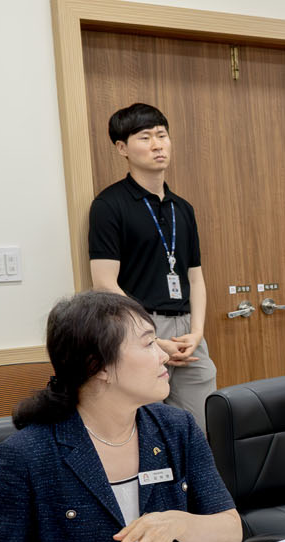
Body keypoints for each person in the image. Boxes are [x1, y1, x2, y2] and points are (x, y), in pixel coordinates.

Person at [0, 291, 242, 542]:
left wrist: (179, 523)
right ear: (98, 366)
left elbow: (231, 532)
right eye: (148, 344)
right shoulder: (23, 455)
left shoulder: (176, 427)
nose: (163, 355)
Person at [87, 102, 217, 421]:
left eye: (162, 135)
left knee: (202, 426)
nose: (157, 145)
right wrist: (151, 337)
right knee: (147, 427)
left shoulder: (182, 208)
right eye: (145, 138)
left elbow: (195, 278)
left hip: (187, 333)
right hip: (137, 329)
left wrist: (197, 332)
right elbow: (104, 283)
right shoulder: (109, 205)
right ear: (122, 148)